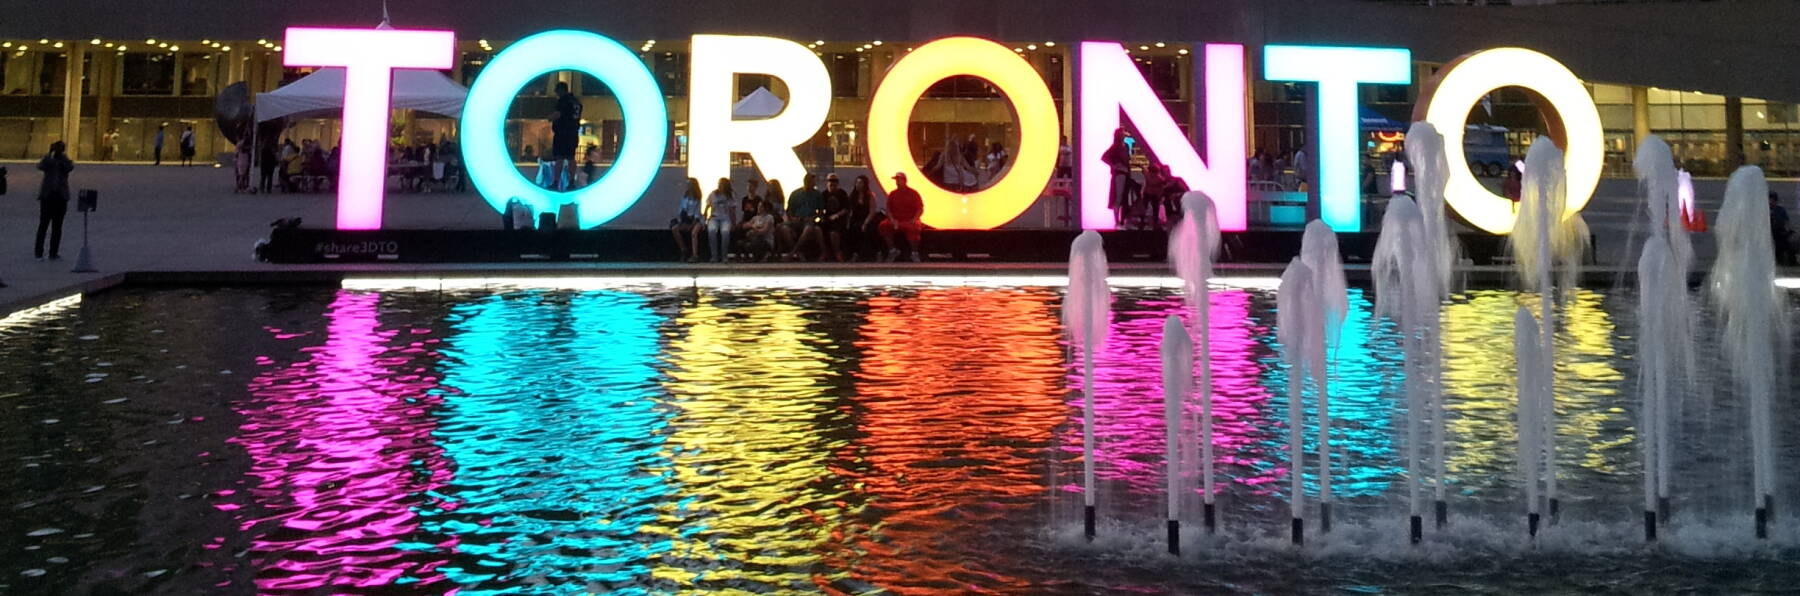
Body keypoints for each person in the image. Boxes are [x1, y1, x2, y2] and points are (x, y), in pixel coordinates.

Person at [34, 141, 73, 261]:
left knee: (57, 226)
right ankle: (39, 252)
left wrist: (62, 157)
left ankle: (53, 252)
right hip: (48, 196)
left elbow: (70, 167)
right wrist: (49, 154)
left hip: (60, 197)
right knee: (43, 225)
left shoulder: (64, 161)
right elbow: (40, 166)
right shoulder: (49, 161)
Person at [879, 172, 925, 262]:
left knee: (914, 229)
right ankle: (892, 250)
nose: (897, 182)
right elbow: (888, 209)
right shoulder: (892, 194)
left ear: (905, 181)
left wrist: (914, 219)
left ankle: (914, 253)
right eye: (896, 180)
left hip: (910, 220)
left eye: (899, 180)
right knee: (883, 225)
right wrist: (892, 220)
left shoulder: (913, 193)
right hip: (896, 220)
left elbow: (920, 209)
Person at [548, 81, 581, 191]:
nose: (556, 93)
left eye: (557, 90)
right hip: (573, 132)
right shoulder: (576, 102)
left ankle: (556, 182)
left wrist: (550, 117)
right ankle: (571, 182)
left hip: (562, 133)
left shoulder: (563, 101)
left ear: (561, 90)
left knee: (560, 157)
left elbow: (557, 114)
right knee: (571, 157)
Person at [784, 173, 825, 261]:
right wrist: (792, 219)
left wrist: (814, 218)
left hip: (809, 220)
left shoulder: (817, 195)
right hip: (796, 220)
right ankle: (798, 253)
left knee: (808, 229)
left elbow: (821, 211)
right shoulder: (795, 194)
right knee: (783, 228)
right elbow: (788, 210)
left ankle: (794, 252)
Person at [845, 175, 880, 261]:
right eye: (857, 182)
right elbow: (849, 210)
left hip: (868, 219)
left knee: (869, 230)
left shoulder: (870, 196)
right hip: (856, 219)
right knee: (853, 230)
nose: (858, 184)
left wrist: (865, 223)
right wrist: (848, 222)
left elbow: (872, 211)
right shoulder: (852, 196)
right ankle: (855, 253)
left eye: (860, 183)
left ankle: (878, 253)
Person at [1102, 127, 1132, 228]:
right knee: (1118, 196)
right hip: (1119, 173)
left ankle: (1123, 218)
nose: (1124, 134)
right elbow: (1104, 157)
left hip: (1126, 173)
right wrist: (1114, 165)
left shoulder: (1126, 146)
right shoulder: (1115, 147)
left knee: (1124, 196)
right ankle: (1116, 219)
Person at [703, 178, 738, 263]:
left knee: (725, 232)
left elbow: (733, 210)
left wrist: (734, 223)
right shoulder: (713, 194)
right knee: (711, 230)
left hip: (726, 218)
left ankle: (724, 256)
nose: (720, 186)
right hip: (714, 217)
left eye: (722, 184)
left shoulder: (731, 195)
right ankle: (714, 256)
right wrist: (704, 219)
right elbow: (707, 207)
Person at [816, 174, 850, 261]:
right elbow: (820, 208)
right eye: (830, 182)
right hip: (827, 219)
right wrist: (820, 216)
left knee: (833, 232)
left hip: (839, 219)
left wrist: (837, 215)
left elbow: (846, 209)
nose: (832, 184)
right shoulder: (824, 194)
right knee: (817, 229)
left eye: (834, 182)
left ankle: (837, 252)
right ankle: (824, 252)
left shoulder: (842, 193)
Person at [672, 177, 703, 262]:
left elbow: (697, 213)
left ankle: (695, 254)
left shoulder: (698, 198)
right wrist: (681, 221)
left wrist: (692, 224)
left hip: (696, 220)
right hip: (686, 220)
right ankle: (683, 249)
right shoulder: (685, 197)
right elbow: (681, 210)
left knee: (694, 233)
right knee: (675, 229)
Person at [743, 197, 779, 261]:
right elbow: (745, 225)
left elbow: (763, 231)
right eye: (758, 206)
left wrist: (755, 229)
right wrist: (752, 226)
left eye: (761, 206)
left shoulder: (769, 217)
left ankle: (764, 255)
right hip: (756, 238)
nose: (758, 208)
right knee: (745, 242)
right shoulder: (756, 218)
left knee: (756, 242)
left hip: (766, 241)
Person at [1772, 191, 1797, 266]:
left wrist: (1788, 230)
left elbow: (1786, 221)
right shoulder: (1766, 210)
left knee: (1787, 244)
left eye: (1772, 200)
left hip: (1779, 232)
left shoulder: (1780, 210)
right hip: (1770, 232)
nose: (1771, 202)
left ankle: (1790, 261)